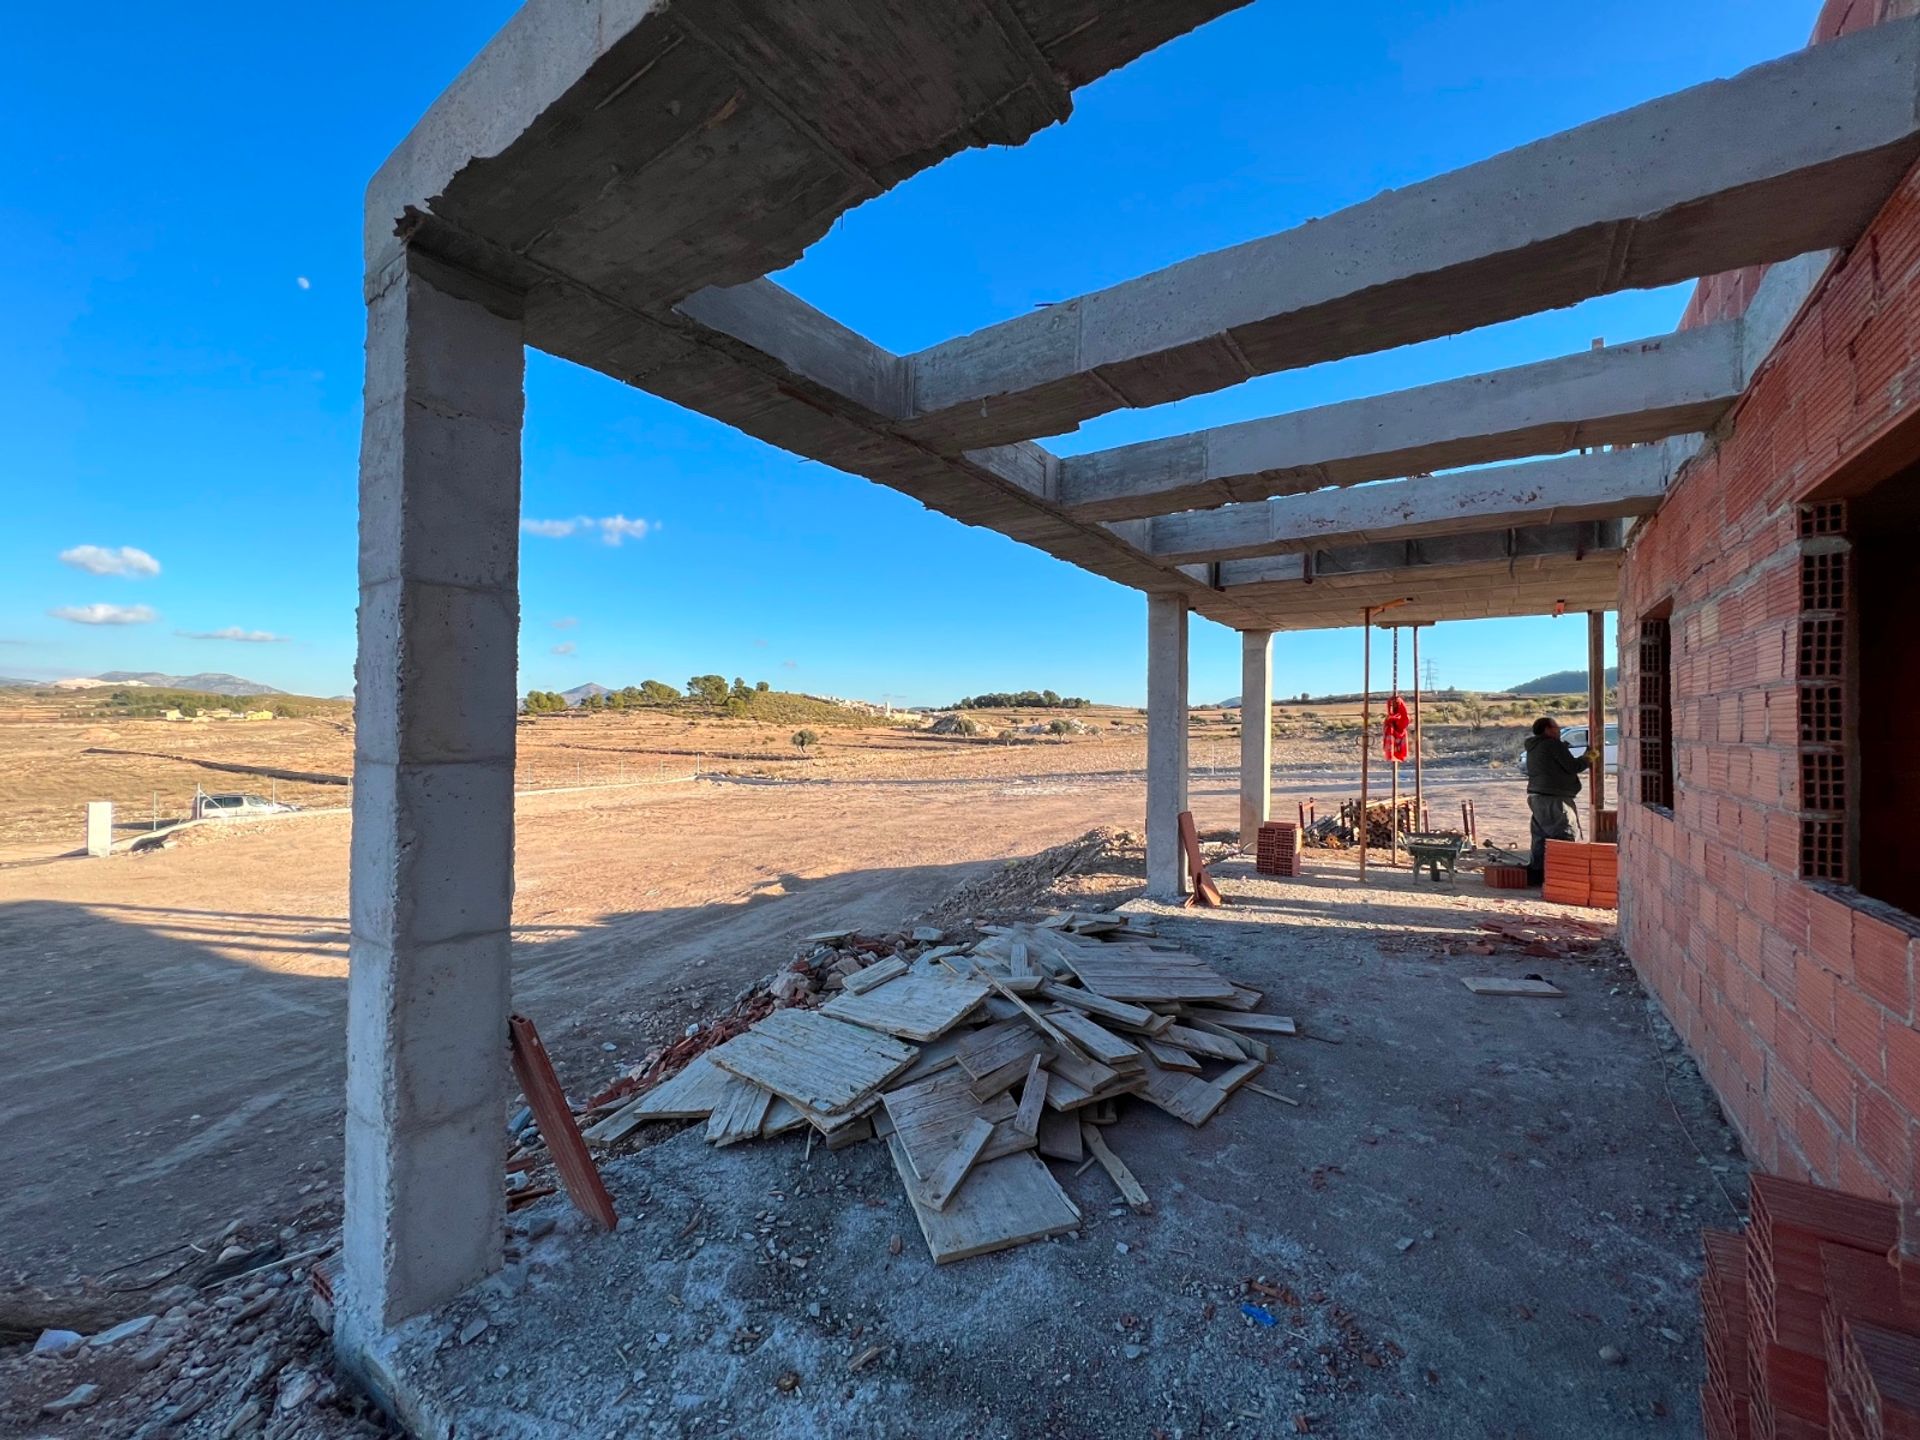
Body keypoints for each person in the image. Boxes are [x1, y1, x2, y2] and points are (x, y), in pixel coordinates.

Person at [1523, 716, 1593, 886]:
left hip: (1537, 797)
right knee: (1565, 835)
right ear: (1547, 729)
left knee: (1541, 837)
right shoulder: (1551, 744)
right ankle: (1564, 877)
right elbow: (1573, 767)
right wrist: (1589, 757)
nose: (1559, 730)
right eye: (1556, 727)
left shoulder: (1534, 746)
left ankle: (1537, 875)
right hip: (1554, 797)